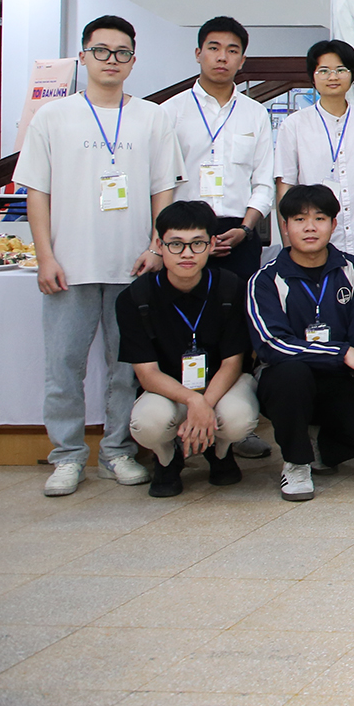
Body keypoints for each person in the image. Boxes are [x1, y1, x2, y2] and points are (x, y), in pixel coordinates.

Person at [18, 14, 183, 496]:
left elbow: (163, 190)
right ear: (83, 56)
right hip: (68, 267)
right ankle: (67, 456)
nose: (112, 60)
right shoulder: (53, 117)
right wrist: (45, 256)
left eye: (122, 52)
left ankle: (116, 452)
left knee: (125, 368)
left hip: (133, 267)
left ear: (133, 60)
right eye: (102, 51)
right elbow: (37, 193)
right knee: (63, 367)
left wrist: (156, 248)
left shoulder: (152, 117)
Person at [247, 184, 354, 500]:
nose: (310, 227)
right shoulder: (265, 279)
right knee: (291, 374)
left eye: (320, 218)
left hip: (339, 382)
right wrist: (340, 352)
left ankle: (318, 447)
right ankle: (296, 462)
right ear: (285, 226)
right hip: (287, 382)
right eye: (299, 219)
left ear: (333, 224)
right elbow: (272, 344)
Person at [119, 200, 255, 498]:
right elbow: (147, 374)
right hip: (167, 388)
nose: (187, 254)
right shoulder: (135, 298)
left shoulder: (231, 287)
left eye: (197, 243)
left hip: (221, 384)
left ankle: (220, 452)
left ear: (212, 244)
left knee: (238, 417)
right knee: (148, 423)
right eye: (176, 244)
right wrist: (194, 402)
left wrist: (205, 403)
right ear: (159, 245)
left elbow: (232, 363)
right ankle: (167, 459)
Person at [160, 16, 276, 282]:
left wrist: (245, 229)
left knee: (238, 306)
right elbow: (160, 182)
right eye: (214, 48)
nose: (222, 57)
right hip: (183, 236)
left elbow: (263, 182)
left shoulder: (256, 114)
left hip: (239, 231)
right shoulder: (170, 112)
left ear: (242, 60)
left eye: (232, 51)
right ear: (198, 54)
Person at [276, 39, 354, 272]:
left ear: (353, 74)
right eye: (324, 71)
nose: (333, 77)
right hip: (311, 244)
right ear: (312, 76)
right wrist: (289, 244)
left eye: (340, 70)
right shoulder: (294, 125)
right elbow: (285, 186)